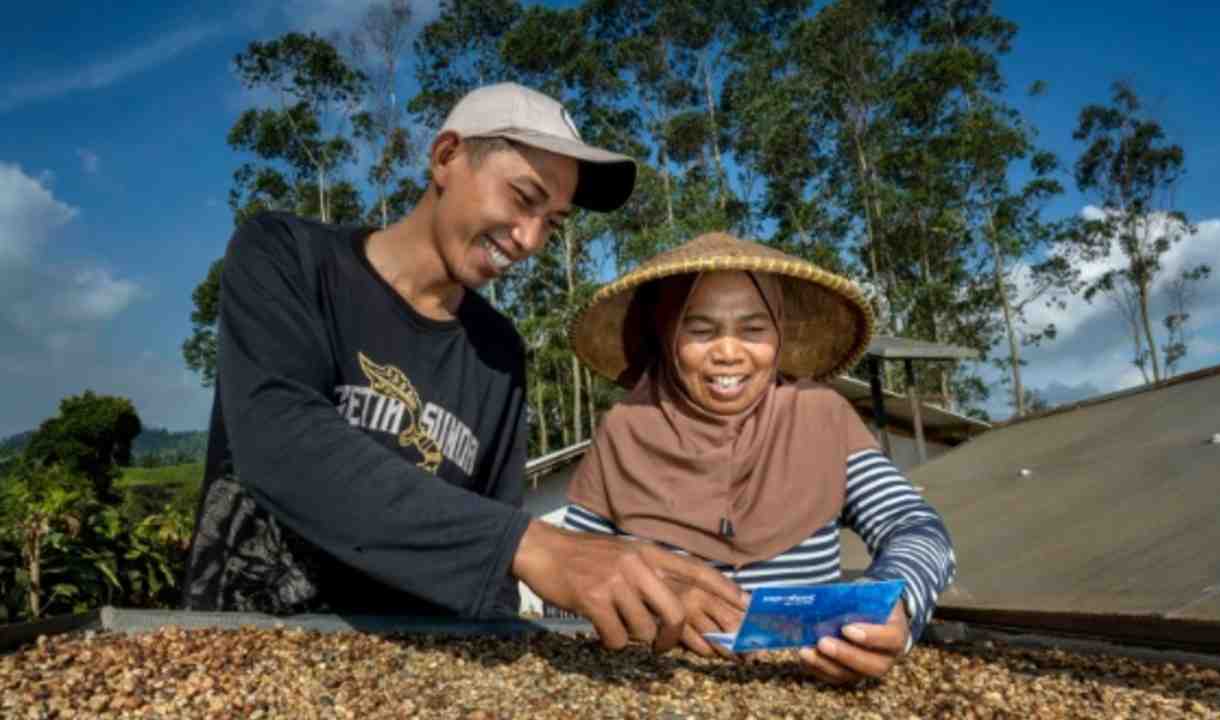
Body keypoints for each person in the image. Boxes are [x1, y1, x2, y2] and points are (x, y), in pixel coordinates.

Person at [181, 83, 746, 653]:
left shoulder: (498, 354)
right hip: (243, 647)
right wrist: (536, 546)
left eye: (552, 221)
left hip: (401, 670)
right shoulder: (287, 256)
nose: (529, 240)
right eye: (524, 198)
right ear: (446, 157)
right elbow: (281, 440)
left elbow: (487, 546)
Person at [563, 231, 957, 684]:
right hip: (657, 685)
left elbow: (915, 526)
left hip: (811, 680)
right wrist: (652, 603)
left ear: (778, 336)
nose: (728, 353)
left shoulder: (820, 416)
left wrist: (893, 603)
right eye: (700, 330)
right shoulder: (624, 429)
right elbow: (572, 577)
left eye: (753, 330)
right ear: (668, 333)